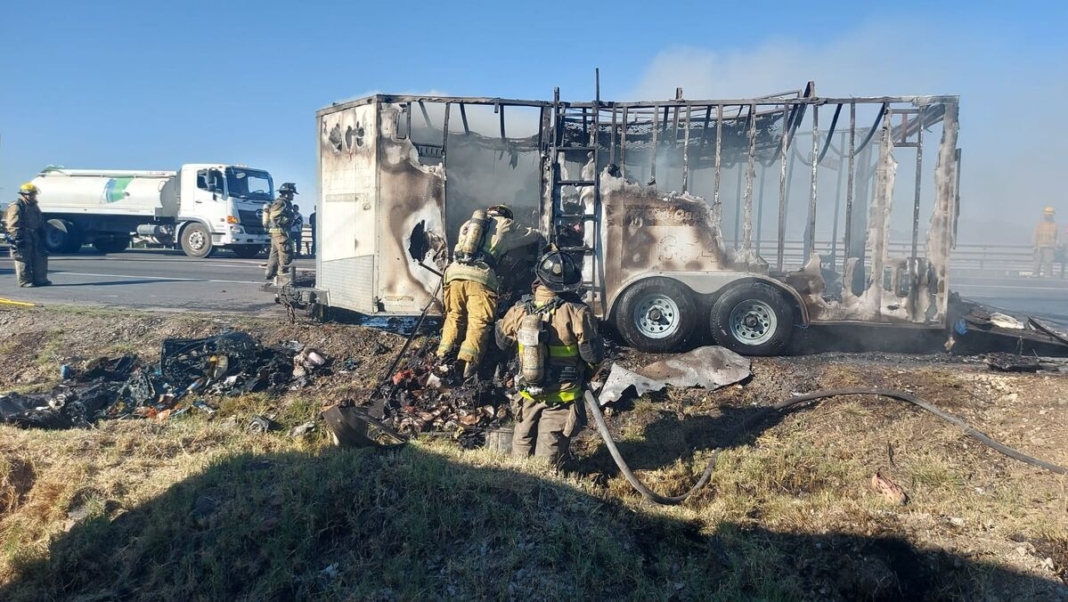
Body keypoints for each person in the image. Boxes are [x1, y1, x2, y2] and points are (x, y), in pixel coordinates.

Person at [495, 250, 603, 467]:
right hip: (561, 398)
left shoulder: (519, 309)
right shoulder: (578, 312)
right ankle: (545, 492)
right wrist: (586, 374)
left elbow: (501, 342)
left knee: (521, 447)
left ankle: (518, 489)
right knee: (548, 459)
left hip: (527, 395)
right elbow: (593, 356)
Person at [436, 204, 541, 380]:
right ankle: (466, 366)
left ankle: (442, 358)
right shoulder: (506, 224)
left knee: (454, 315)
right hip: (481, 275)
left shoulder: (468, 224)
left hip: (453, 273)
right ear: (506, 214)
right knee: (478, 321)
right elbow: (532, 235)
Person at [5, 183, 51, 288]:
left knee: (40, 257)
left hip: (35, 235)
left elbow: (39, 220)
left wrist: (42, 232)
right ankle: (25, 281)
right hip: (23, 235)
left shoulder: (34, 205)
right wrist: (17, 238)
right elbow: (12, 224)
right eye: (30, 194)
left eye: (33, 194)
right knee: (23, 258)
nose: (32, 196)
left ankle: (40, 280)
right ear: (23, 194)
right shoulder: (16, 206)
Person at [263, 182, 297, 286]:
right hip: (280, 233)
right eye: (292, 193)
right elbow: (275, 217)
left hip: (277, 234)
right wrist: (290, 220)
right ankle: (283, 277)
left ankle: (270, 273)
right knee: (285, 253)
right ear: (286, 194)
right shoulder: (281, 203)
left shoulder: (284, 203)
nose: (293, 195)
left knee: (275, 254)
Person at [1033, 206, 1058, 278]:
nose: (1047, 216)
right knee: (1037, 262)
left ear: (1052, 215)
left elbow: (1057, 237)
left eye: (1049, 214)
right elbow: (1035, 235)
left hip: (1050, 247)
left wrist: (1055, 246)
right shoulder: (1039, 224)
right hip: (1039, 247)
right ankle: (1035, 275)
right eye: (1046, 214)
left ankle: (1047, 276)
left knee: (1048, 262)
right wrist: (1035, 245)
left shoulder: (1055, 225)